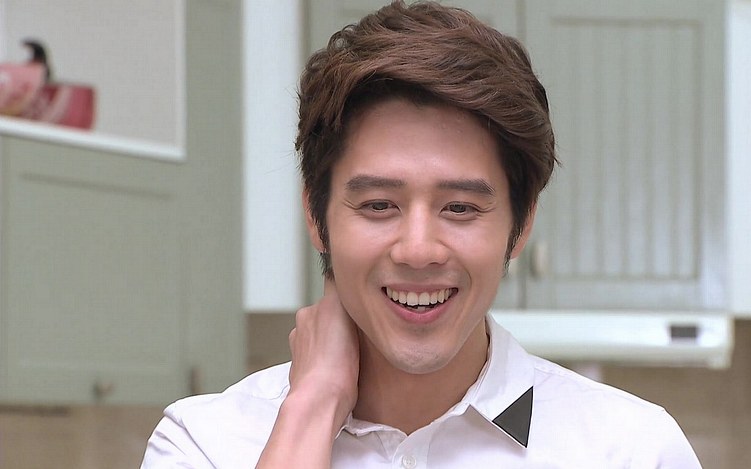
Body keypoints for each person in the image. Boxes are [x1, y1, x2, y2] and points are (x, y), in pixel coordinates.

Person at [141, 1, 702, 467]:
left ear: (522, 223)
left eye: (460, 207)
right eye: (378, 205)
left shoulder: (633, 450)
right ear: (315, 215)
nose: (417, 250)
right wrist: (311, 407)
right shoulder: (205, 444)